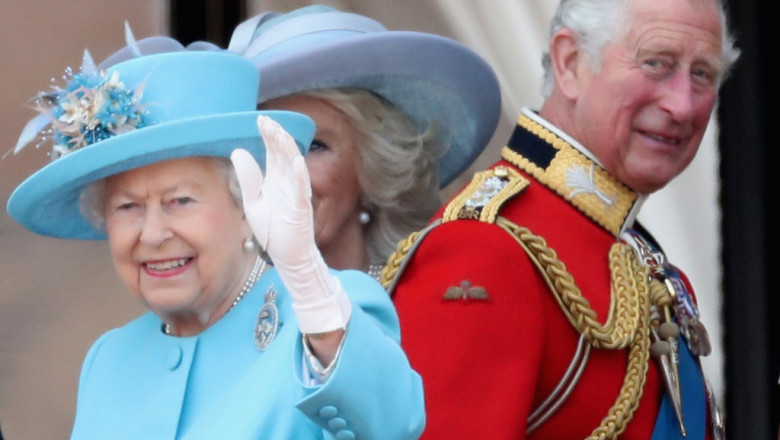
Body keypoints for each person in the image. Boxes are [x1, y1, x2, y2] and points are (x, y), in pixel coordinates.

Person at [6, 36, 424, 439]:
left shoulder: (328, 308)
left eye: (181, 200)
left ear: (247, 206)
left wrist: (307, 280)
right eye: (127, 207)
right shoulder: (110, 358)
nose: (151, 235)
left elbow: (390, 424)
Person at [385, 0, 739, 438]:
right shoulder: (482, 249)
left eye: (702, 74)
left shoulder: (639, 256)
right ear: (570, 62)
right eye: (656, 63)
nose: (683, 105)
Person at [226, 5, 502, 278]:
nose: (286, 170)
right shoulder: (223, 306)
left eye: (314, 146)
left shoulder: (423, 297)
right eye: (266, 145)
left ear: (375, 165)